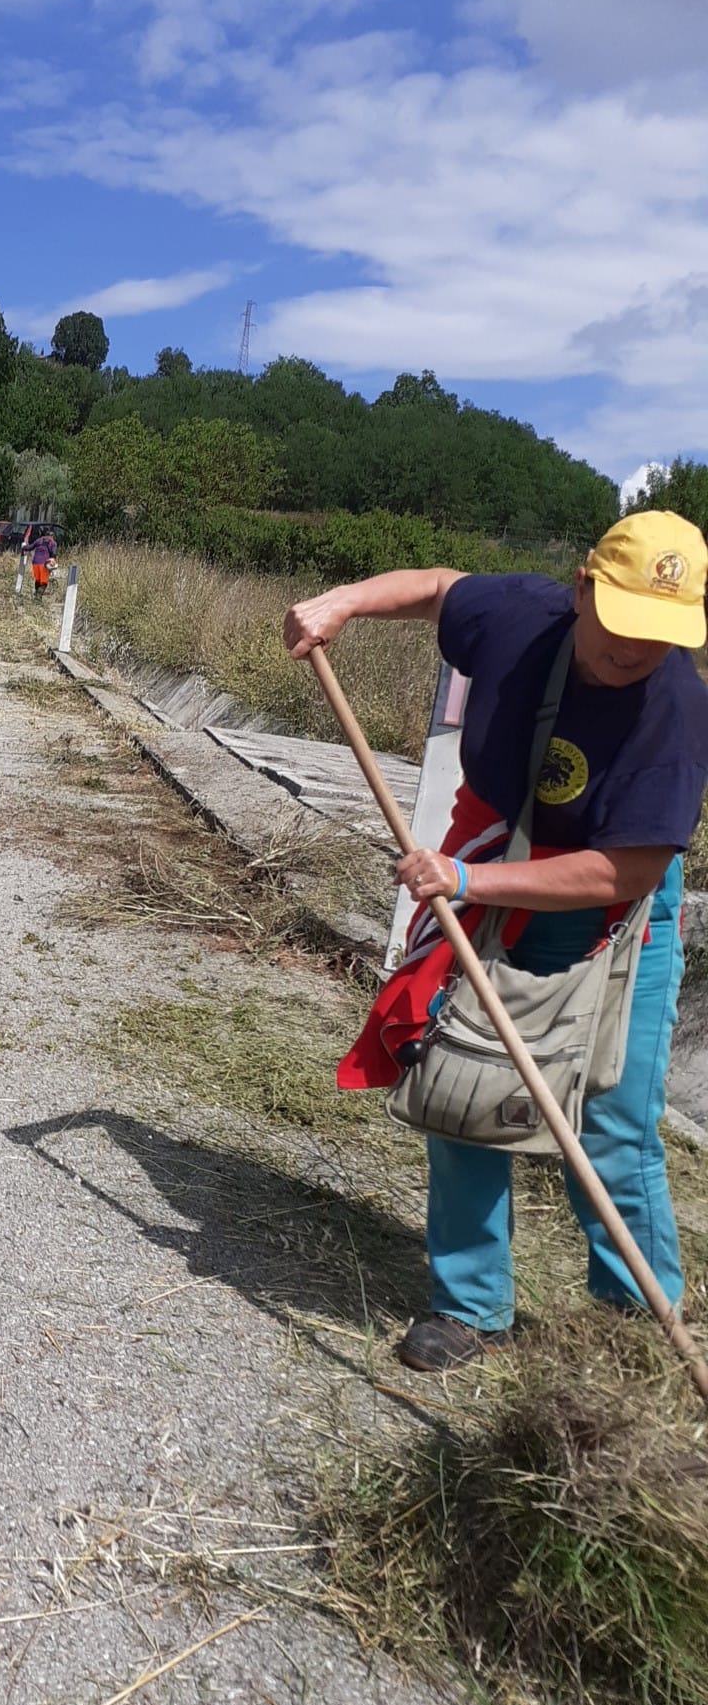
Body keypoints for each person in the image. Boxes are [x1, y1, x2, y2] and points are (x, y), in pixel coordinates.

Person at [283, 512, 708, 1372]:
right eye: (624, 624)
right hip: (489, 863)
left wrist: (469, 882)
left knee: (612, 1114)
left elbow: (623, 872)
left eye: (662, 635)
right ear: (584, 588)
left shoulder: (677, 706)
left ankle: (637, 1328)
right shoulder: (520, 617)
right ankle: (472, 1306)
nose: (638, 652)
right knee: (464, 1076)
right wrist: (342, 603)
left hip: (612, 906)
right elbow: (440, 589)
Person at [30, 528, 57, 594]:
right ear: (52, 536)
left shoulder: (39, 540)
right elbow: (53, 553)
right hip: (44, 564)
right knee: (44, 583)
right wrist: (53, 559)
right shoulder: (52, 542)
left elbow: (30, 547)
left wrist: (24, 547)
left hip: (35, 563)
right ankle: (38, 598)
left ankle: (36, 595)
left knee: (38, 581)